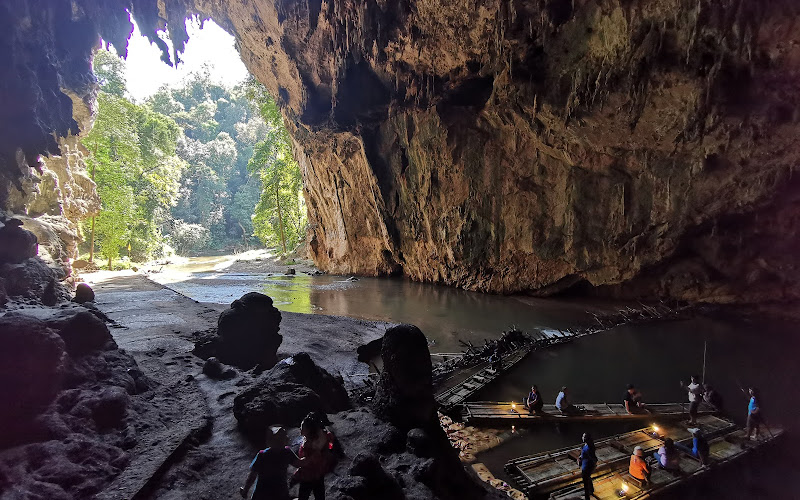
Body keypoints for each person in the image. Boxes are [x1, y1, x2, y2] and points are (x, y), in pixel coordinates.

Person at [240, 426, 299, 500]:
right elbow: (299, 463)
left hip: (261, 495)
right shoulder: (287, 452)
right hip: (280, 494)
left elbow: (252, 476)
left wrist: (245, 491)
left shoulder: (262, 455)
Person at [293, 414, 336, 500]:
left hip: (308, 475)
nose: (300, 430)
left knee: (304, 496)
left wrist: (300, 467)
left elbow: (309, 460)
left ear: (308, 430)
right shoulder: (319, 440)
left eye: (302, 428)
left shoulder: (309, 444)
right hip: (319, 474)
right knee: (319, 495)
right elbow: (330, 443)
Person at [577, 432, 597, 500]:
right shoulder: (586, 445)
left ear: (587, 439)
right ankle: (591, 490)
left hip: (587, 466)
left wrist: (593, 465)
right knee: (588, 478)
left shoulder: (589, 448)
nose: (582, 438)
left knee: (585, 481)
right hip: (585, 464)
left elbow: (593, 458)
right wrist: (580, 457)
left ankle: (587, 497)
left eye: (584, 437)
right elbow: (584, 453)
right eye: (583, 436)